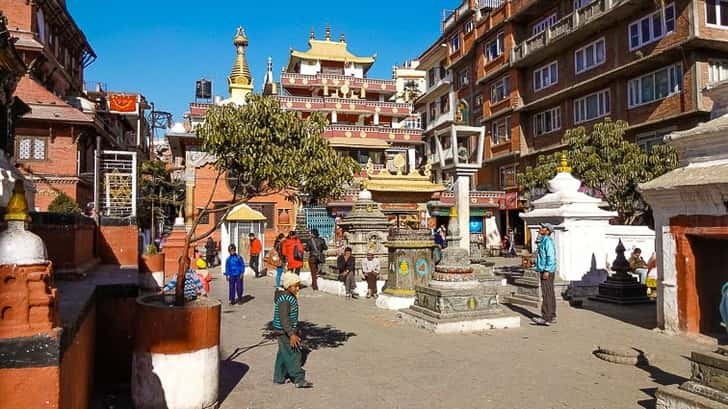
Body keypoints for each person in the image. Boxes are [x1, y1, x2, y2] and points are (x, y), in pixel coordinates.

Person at [272, 272, 313, 388]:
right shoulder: (285, 299)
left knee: (283, 354)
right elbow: (284, 319)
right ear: (288, 286)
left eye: (298, 286)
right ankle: (298, 378)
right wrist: (291, 334)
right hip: (284, 331)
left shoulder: (289, 296)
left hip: (286, 330)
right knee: (294, 353)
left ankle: (279, 377)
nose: (297, 288)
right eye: (295, 286)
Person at [532, 223, 557, 326]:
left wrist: (546, 270)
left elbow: (550, 257)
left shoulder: (547, 242)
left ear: (547, 231)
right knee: (549, 293)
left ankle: (546, 317)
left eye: (543, 228)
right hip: (545, 269)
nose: (540, 229)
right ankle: (552, 315)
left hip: (547, 270)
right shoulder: (544, 240)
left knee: (546, 293)